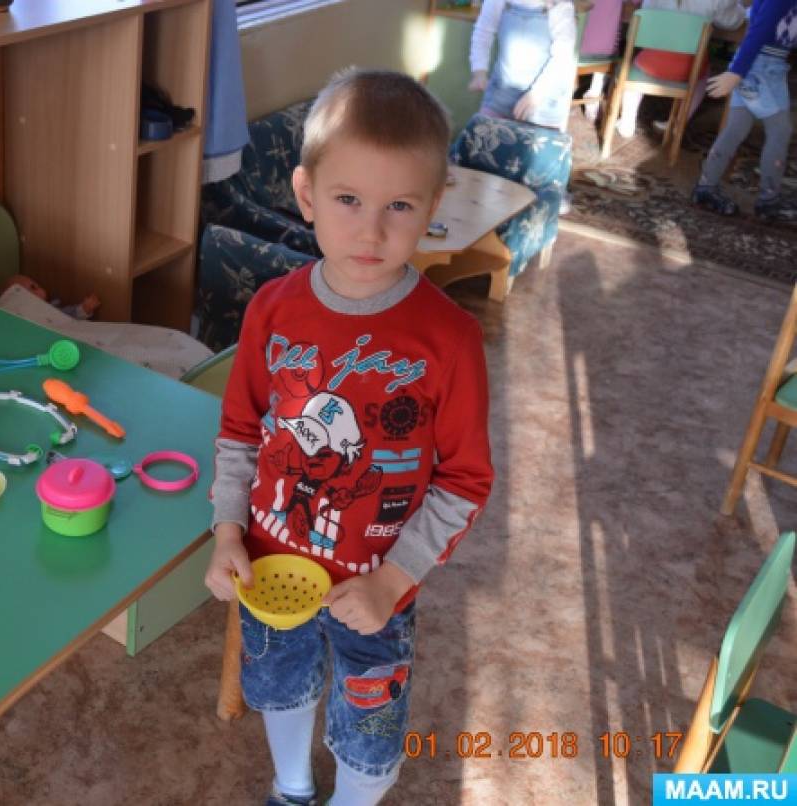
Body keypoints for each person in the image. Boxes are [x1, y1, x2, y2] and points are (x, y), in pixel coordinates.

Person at [204, 69, 495, 806]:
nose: (371, 231)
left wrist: (393, 582)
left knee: (371, 731)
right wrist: (227, 532)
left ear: (433, 204)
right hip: (269, 570)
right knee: (278, 688)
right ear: (306, 195)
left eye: (399, 205)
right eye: (347, 200)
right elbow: (240, 432)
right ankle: (292, 788)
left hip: (377, 587)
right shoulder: (270, 309)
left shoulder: (451, 339)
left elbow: (464, 480)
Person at [692, 0, 796, 220]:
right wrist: (736, 73)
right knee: (780, 130)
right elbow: (759, 31)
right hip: (759, 67)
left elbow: (760, 16)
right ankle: (769, 200)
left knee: (736, 128)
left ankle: (706, 187)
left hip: (764, 65)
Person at [608, 0, 747, 138]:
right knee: (702, 74)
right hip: (688, 67)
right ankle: (677, 123)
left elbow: (646, 13)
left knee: (633, 66)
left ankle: (627, 121)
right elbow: (733, 21)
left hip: (651, 61)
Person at [468, 0, 578, 130]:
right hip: (501, 93)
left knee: (537, 141)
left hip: (544, 100)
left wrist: (537, 94)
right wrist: (479, 70)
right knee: (483, 135)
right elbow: (483, 31)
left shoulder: (560, 6)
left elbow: (562, 56)